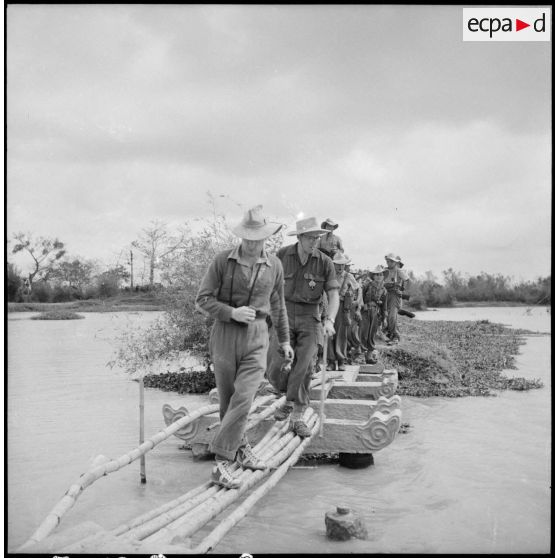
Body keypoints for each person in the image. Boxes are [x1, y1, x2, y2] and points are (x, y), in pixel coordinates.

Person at [196, 205, 294, 489]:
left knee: (245, 396)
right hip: (226, 335)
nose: (252, 244)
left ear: (266, 238)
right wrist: (231, 312)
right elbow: (202, 300)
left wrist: (285, 341)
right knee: (228, 400)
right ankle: (239, 449)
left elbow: (278, 305)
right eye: (248, 238)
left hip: (257, 336)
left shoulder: (274, 265)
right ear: (241, 237)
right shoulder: (222, 261)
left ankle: (221, 462)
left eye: (258, 238)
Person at [267, 216, 340, 437]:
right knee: (276, 363)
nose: (314, 242)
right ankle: (287, 395)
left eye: (316, 238)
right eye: (309, 238)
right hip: (284, 315)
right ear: (299, 237)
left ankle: (296, 415)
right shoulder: (281, 256)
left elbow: (333, 294)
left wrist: (330, 320)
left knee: (306, 365)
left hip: (311, 317)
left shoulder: (324, 262)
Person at [327, 252, 360, 371]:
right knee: (329, 333)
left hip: (343, 307)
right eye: (338, 264)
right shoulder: (329, 275)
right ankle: (331, 361)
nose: (340, 267)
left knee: (341, 334)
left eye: (342, 264)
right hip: (330, 306)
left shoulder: (349, 276)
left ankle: (341, 360)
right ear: (333, 264)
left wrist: (355, 304)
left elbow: (358, 290)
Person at [360, 265, 387, 363]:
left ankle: (369, 357)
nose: (379, 276)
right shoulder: (367, 285)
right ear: (373, 276)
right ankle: (360, 357)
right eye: (377, 275)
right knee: (363, 333)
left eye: (381, 275)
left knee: (372, 334)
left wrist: (384, 319)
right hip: (365, 311)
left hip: (376, 313)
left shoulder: (384, 290)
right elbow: (360, 297)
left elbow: (384, 306)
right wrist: (362, 306)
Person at [383, 253, 409, 345]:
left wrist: (402, 289)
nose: (389, 263)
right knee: (385, 316)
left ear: (395, 262)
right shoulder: (384, 271)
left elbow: (407, 280)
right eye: (388, 261)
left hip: (395, 295)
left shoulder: (399, 271)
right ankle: (390, 335)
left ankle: (395, 337)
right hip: (385, 295)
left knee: (392, 317)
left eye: (391, 261)